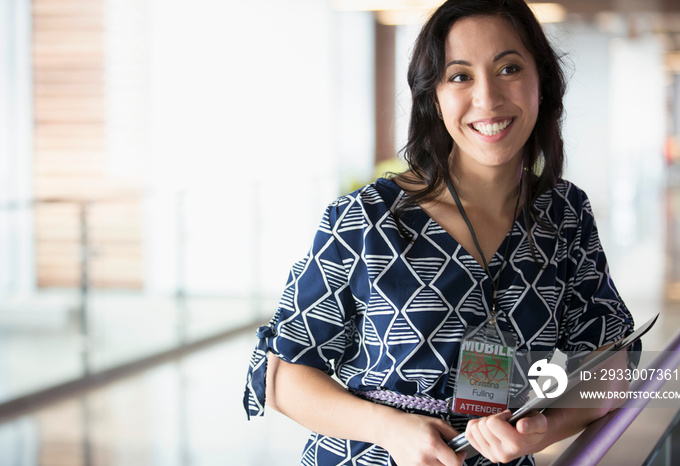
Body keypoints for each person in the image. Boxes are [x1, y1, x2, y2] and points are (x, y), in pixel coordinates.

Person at [244, 0, 636, 465]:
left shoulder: (563, 215)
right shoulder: (370, 218)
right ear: (434, 96)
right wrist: (390, 429)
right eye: (460, 76)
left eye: (508, 68)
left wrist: (540, 432)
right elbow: (284, 376)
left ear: (543, 83)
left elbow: (611, 362)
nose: (487, 98)